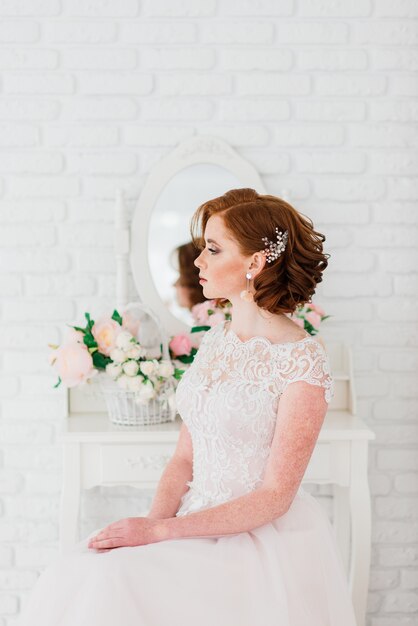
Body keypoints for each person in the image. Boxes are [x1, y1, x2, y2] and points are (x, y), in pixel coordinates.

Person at [18, 188, 357, 626]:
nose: (198, 262)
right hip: (190, 523)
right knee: (83, 570)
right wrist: (147, 530)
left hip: (255, 544)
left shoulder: (301, 359)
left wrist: (161, 531)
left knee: (109, 583)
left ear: (255, 263)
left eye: (213, 250)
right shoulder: (216, 341)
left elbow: (275, 497)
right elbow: (184, 458)